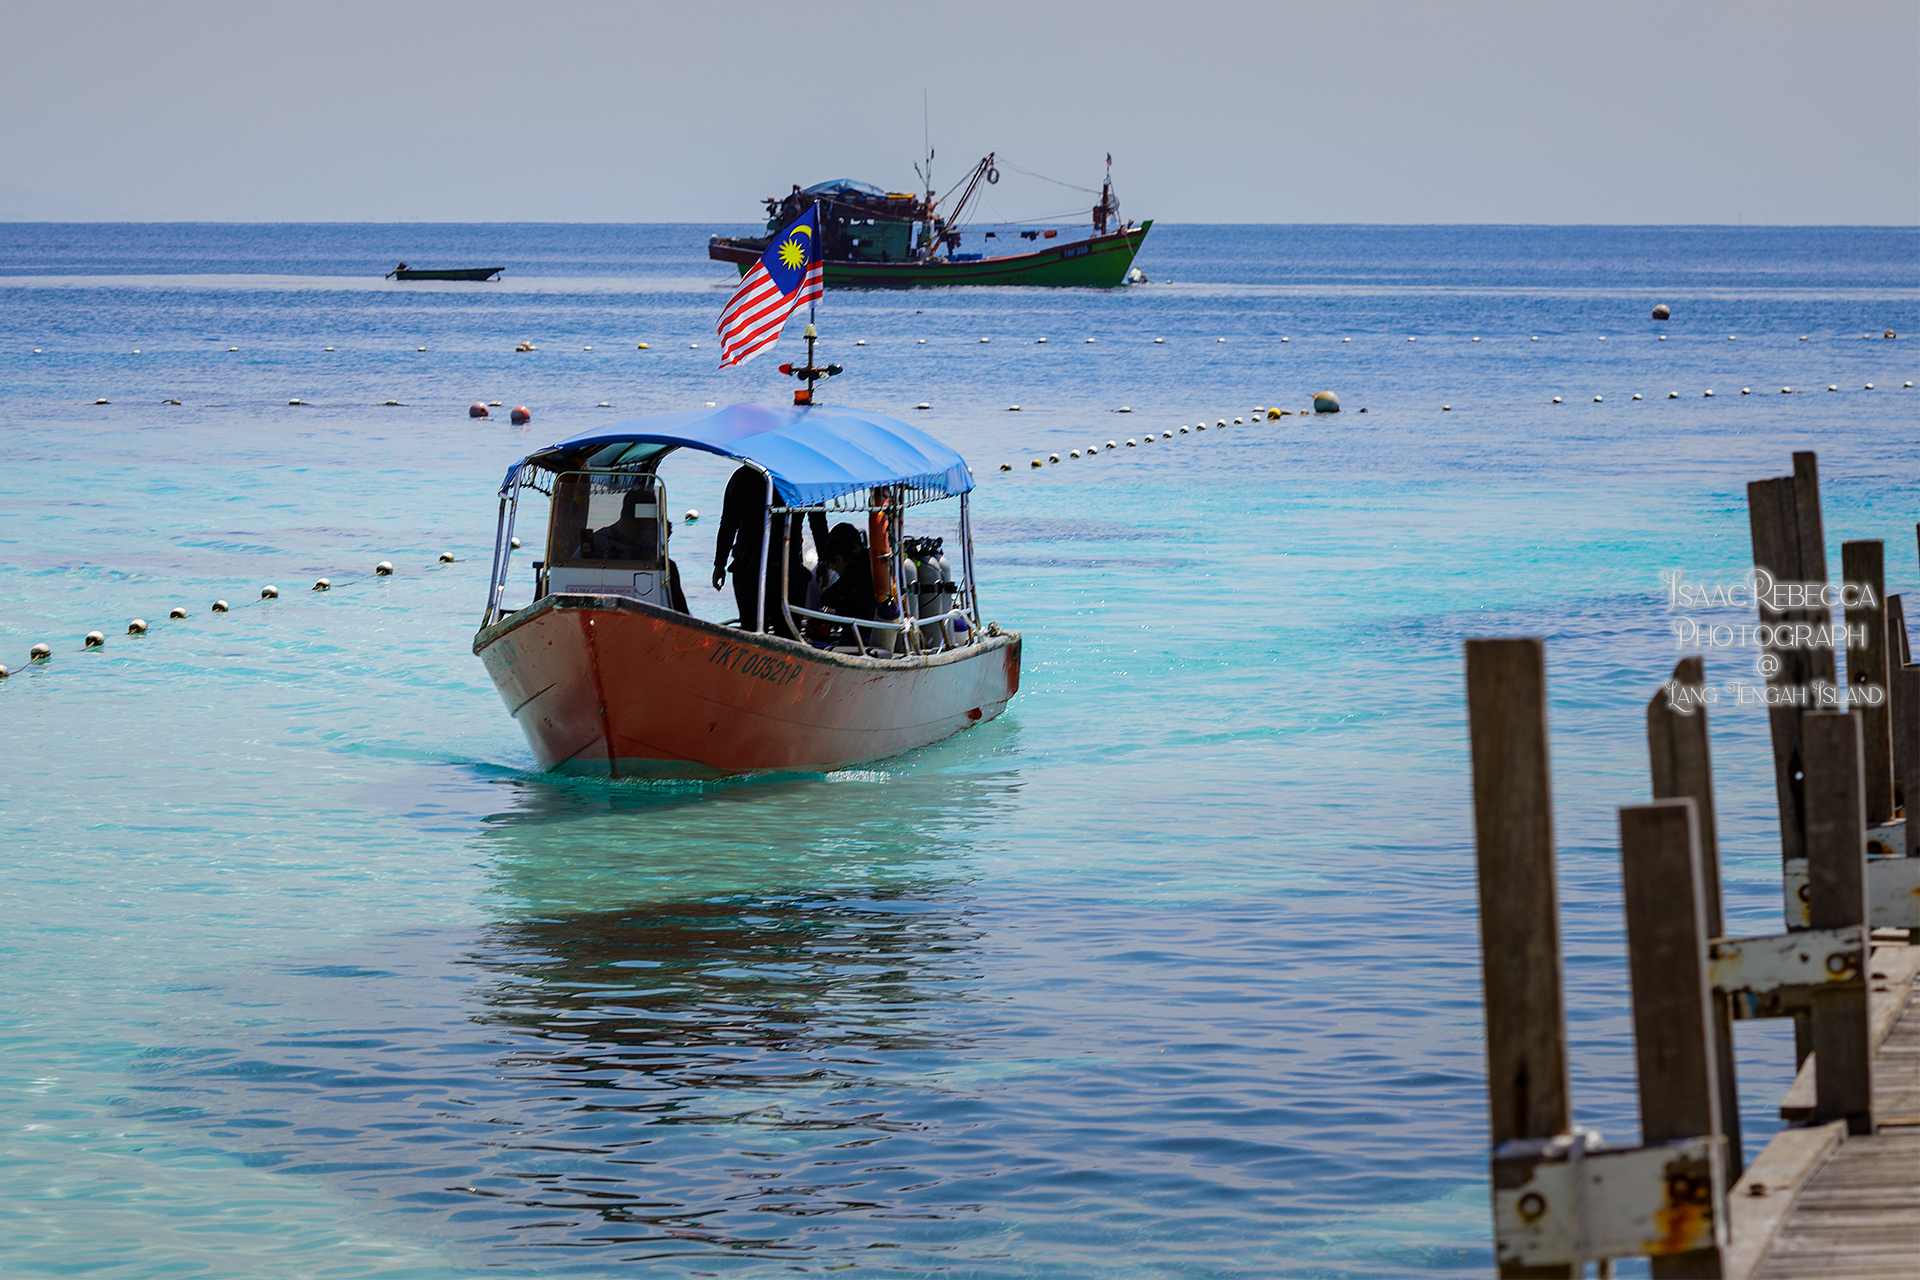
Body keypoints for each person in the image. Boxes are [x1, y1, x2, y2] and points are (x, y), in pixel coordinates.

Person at [713, 464, 828, 636]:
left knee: (774, 635)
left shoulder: (745, 476)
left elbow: (728, 524)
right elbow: (818, 522)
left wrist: (719, 564)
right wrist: (719, 563)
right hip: (759, 569)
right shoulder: (804, 477)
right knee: (771, 634)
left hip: (779, 570)